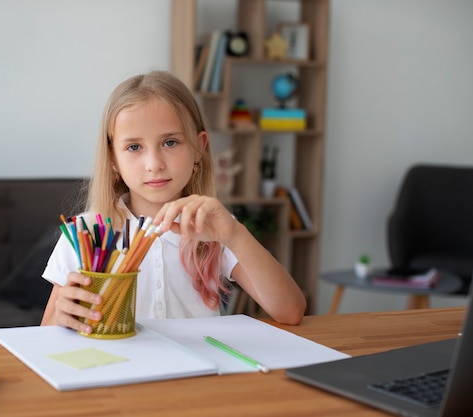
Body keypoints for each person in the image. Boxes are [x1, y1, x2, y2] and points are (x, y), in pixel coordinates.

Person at [41, 71, 306, 334]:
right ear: (113, 158)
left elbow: (291, 311)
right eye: (134, 147)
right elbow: (44, 336)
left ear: (198, 147)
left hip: (200, 373)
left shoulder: (215, 227)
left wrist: (236, 236)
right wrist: (60, 318)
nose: (154, 164)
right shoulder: (86, 232)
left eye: (170, 142)